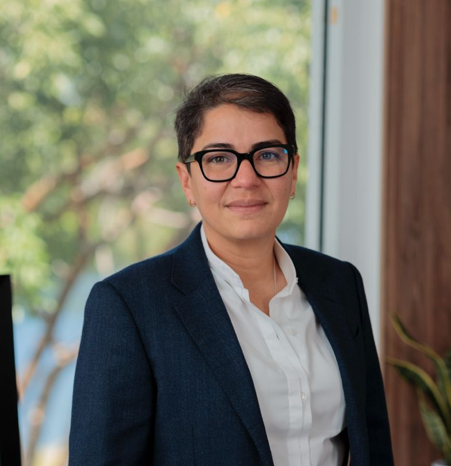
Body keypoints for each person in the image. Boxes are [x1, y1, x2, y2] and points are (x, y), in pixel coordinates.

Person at [69, 74, 394, 466]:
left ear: (292, 172)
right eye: (219, 159)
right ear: (187, 181)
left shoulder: (339, 283)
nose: (246, 179)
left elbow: (373, 445)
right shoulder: (129, 306)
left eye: (268, 155)